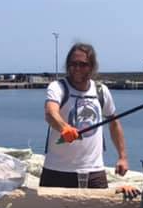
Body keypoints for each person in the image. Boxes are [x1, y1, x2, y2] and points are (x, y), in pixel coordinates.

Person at [41, 43, 129, 188]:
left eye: (83, 64)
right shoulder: (57, 87)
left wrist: (122, 157)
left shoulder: (101, 91)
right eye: (73, 64)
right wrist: (65, 128)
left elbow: (114, 122)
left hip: (94, 172)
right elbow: (50, 113)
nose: (77, 68)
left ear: (92, 66)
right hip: (57, 171)